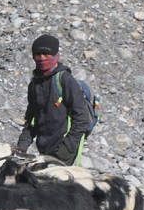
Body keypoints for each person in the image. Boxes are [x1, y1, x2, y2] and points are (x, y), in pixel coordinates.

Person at [14, 33, 93, 165]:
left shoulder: (65, 80)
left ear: (56, 55)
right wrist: (22, 146)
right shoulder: (35, 84)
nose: (42, 58)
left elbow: (82, 118)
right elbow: (31, 120)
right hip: (44, 149)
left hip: (64, 151)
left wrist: (66, 148)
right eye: (38, 54)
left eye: (46, 54)